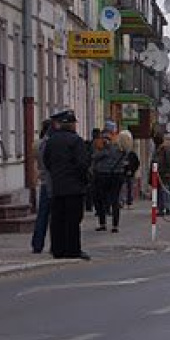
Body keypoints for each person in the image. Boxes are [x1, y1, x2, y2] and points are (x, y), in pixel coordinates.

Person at [44, 110, 90, 260]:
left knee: (57, 219)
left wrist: (57, 175)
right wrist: (84, 181)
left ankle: (58, 249)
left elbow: (47, 161)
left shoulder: (51, 141)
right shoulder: (76, 141)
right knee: (73, 220)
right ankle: (72, 249)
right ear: (70, 125)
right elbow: (82, 164)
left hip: (58, 186)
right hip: (74, 187)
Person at [91, 129, 129, 233]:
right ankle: (115, 225)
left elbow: (95, 157)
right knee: (114, 199)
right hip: (117, 175)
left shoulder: (104, 148)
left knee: (100, 199)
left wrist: (101, 150)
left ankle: (103, 223)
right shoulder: (121, 148)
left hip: (103, 175)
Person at [30, 120, 53, 254]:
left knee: (42, 215)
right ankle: (54, 243)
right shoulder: (50, 144)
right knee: (54, 216)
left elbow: (36, 162)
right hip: (53, 181)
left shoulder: (37, 144)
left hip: (43, 180)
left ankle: (37, 244)